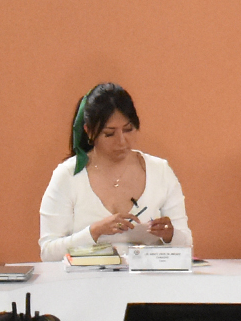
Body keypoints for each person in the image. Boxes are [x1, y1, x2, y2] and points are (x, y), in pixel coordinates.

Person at [38, 81, 193, 261]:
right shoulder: (68, 175)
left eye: (128, 130)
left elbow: (187, 245)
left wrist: (170, 235)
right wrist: (94, 232)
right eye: (109, 133)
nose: (121, 141)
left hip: (148, 277)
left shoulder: (160, 171)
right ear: (89, 131)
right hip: (85, 278)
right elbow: (48, 252)